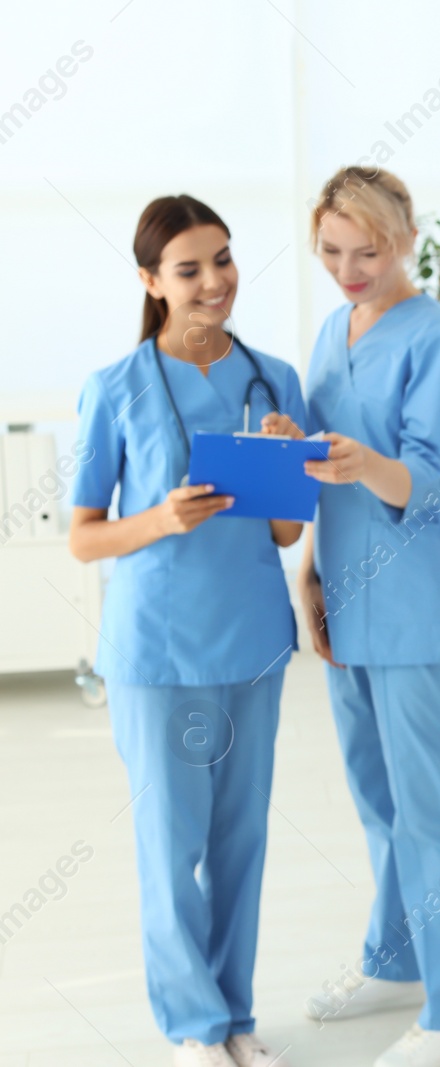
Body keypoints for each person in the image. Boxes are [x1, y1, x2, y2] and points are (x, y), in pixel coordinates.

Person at [68, 196, 304, 1067]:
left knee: (241, 840)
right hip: (158, 654)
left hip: (253, 643)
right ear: (150, 281)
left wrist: (287, 455)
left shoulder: (275, 378)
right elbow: (85, 532)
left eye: (224, 259)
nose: (214, 282)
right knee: (171, 848)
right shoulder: (116, 387)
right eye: (189, 268)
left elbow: (284, 532)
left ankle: (235, 1014)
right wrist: (162, 519)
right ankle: (193, 1030)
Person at [261, 166, 440, 1067]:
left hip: (414, 606)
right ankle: (395, 960)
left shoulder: (435, 338)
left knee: (433, 813)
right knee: (379, 800)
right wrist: (309, 569)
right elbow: (326, 462)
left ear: (405, 240)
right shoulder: (331, 328)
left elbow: (431, 479)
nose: (350, 269)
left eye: (369, 251)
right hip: (344, 602)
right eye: (331, 252)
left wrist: (363, 464)